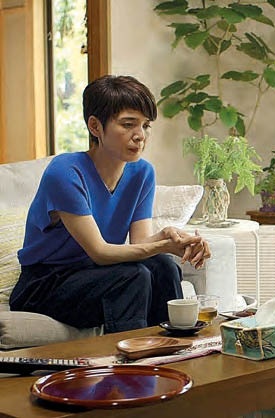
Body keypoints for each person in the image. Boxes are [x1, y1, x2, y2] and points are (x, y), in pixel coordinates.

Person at [10, 75, 211, 333]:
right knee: (134, 277)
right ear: (95, 126)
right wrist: (163, 245)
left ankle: (174, 348)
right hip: (45, 284)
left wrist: (169, 237)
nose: (140, 136)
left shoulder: (142, 173)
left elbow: (140, 244)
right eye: (128, 124)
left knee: (164, 267)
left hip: (96, 273)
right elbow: (100, 252)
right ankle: (131, 355)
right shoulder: (65, 172)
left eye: (146, 125)